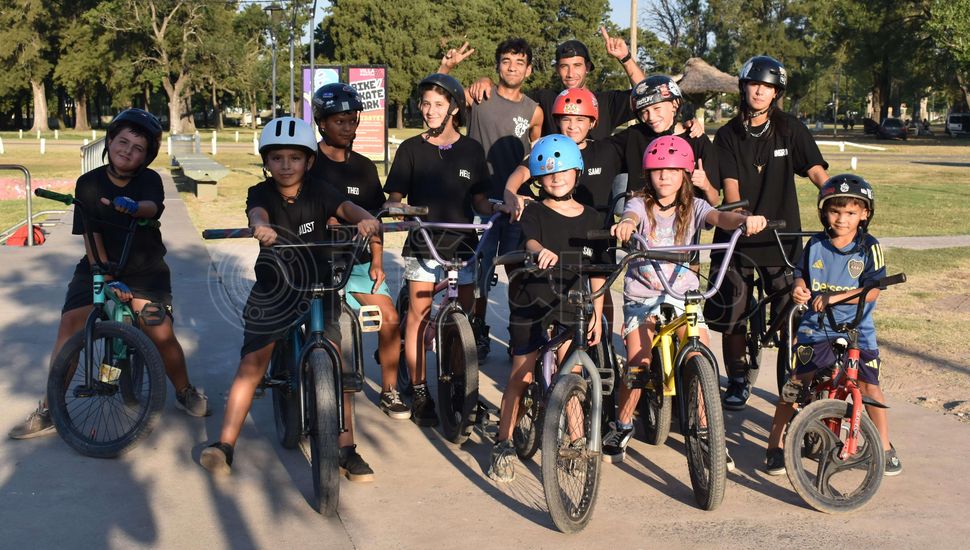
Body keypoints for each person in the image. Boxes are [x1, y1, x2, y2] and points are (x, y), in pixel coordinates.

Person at [9, 108, 209, 440]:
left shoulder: (149, 180)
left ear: (147, 156)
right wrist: (105, 276)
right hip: (98, 266)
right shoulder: (88, 183)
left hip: (145, 269)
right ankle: (49, 408)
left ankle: (184, 389)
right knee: (71, 326)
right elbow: (92, 235)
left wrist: (133, 206)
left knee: (159, 330)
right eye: (123, 141)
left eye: (138, 148)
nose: (127, 151)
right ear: (110, 140)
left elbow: (151, 207)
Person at [200, 117, 381, 479]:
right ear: (266, 162)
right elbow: (257, 212)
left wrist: (365, 220)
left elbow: (347, 209)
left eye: (294, 158)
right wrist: (260, 227)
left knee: (339, 366)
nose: (286, 165)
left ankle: (346, 448)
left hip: (319, 284)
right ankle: (225, 444)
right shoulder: (261, 193)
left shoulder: (320, 190)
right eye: (277, 158)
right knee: (252, 365)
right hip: (275, 288)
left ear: (309, 161)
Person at [606, 135, 766, 464]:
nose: (665, 176)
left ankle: (708, 433)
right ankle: (622, 424)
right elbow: (631, 215)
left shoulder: (695, 206)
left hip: (684, 297)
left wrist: (744, 221)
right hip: (644, 296)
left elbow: (721, 218)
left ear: (686, 174)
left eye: (673, 170)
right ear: (648, 175)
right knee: (639, 364)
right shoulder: (639, 202)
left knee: (703, 357)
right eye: (657, 170)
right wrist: (625, 224)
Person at [704, 55, 829, 411]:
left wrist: (834, 196)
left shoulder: (790, 128)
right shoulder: (727, 135)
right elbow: (730, 190)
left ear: (776, 92)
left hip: (781, 235)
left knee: (792, 307)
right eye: (754, 84)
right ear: (744, 88)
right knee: (733, 307)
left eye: (768, 86)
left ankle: (793, 376)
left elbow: (817, 171)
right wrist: (744, 218)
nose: (760, 90)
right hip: (740, 235)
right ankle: (739, 376)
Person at [488, 135, 608, 482]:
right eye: (548, 173)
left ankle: (575, 442)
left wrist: (598, 311)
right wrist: (539, 250)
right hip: (532, 299)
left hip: (572, 302)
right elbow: (530, 238)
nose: (557, 178)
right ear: (538, 179)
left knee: (569, 374)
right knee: (521, 376)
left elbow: (598, 271)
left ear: (577, 173)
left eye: (564, 171)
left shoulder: (592, 218)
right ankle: (504, 443)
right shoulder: (533, 210)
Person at [764, 174, 901, 476]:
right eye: (835, 211)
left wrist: (833, 298)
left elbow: (873, 289)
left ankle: (885, 445)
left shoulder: (869, 246)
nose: (842, 219)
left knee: (870, 387)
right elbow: (800, 275)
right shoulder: (815, 244)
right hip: (816, 327)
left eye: (851, 212)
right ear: (823, 212)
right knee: (797, 383)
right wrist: (799, 288)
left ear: (865, 214)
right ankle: (775, 444)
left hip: (857, 328)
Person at [382, 74, 494, 427]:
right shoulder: (411, 148)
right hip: (424, 244)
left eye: (439, 105)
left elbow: (479, 200)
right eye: (426, 104)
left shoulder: (472, 150)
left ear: (455, 109)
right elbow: (395, 199)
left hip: (463, 245)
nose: (430, 111)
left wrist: (502, 207)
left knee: (464, 316)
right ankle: (418, 388)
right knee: (418, 315)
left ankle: (462, 384)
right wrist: (398, 209)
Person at [436, 38, 543, 360]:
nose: (512, 67)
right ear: (497, 65)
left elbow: (536, 153)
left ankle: (518, 331)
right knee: (478, 272)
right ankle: (477, 329)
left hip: (514, 204)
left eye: (519, 62)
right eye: (506, 60)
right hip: (477, 200)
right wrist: (447, 68)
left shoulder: (534, 110)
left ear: (529, 69)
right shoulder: (478, 95)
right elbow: (437, 105)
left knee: (516, 270)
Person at [309, 82, 408, 420]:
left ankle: (391, 390)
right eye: (340, 121)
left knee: (391, 318)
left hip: (358, 263)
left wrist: (378, 261)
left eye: (353, 120)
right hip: (318, 263)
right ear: (321, 122)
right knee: (324, 330)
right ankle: (319, 386)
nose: (348, 128)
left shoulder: (365, 167)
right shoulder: (308, 163)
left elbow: (376, 219)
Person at [469, 29, 645, 141]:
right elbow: (509, 93)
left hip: (595, 195)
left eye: (577, 66)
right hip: (552, 191)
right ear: (556, 70)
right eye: (564, 66)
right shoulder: (545, 99)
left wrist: (625, 58)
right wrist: (486, 81)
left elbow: (646, 95)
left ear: (588, 67)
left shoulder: (607, 103)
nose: (570, 73)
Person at [611, 75, 718, 205]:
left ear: (675, 104)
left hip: (684, 222)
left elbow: (715, 200)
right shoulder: (634, 136)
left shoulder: (697, 139)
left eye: (657, 108)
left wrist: (705, 184)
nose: (651, 117)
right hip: (641, 219)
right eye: (644, 111)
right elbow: (598, 151)